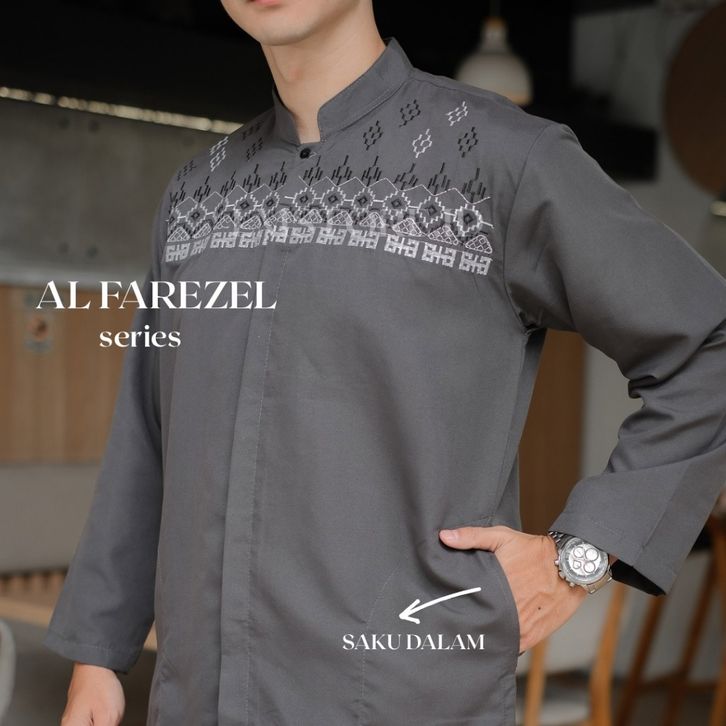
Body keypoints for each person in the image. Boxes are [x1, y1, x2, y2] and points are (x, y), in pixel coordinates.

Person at [44, 1, 726, 724]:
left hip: (406, 695)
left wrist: (577, 558)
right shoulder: (195, 197)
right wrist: (98, 657)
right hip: (197, 699)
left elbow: (707, 341)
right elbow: (149, 435)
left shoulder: (502, 162)